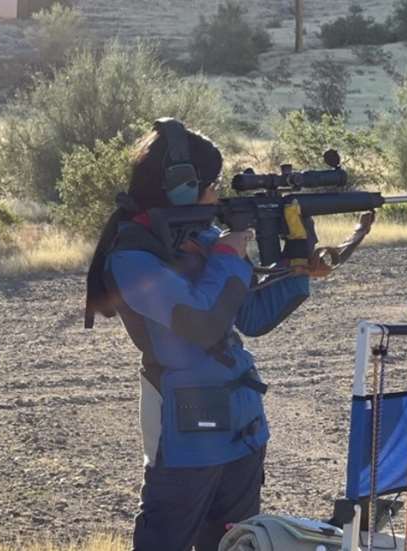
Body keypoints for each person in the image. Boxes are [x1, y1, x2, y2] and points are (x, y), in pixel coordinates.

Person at [83, 118, 369, 551]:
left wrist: (296, 260)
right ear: (180, 185)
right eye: (210, 183)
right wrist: (228, 257)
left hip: (242, 427)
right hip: (185, 434)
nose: (217, 193)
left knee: (239, 543)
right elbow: (201, 324)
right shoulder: (133, 256)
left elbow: (252, 315)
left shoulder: (200, 237)